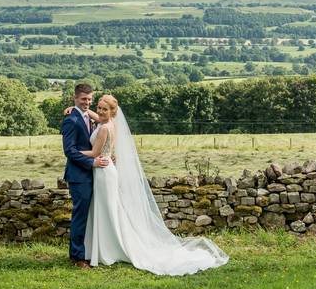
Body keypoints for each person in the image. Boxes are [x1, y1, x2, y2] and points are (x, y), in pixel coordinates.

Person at [66, 94, 229, 276]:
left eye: (105, 108)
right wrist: (75, 109)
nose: (100, 111)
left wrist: (72, 151)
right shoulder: (112, 123)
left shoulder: (104, 128)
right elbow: (92, 115)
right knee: (108, 209)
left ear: (112, 112)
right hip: (106, 169)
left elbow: (95, 151)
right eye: (99, 107)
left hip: (103, 170)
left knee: (108, 210)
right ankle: (102, 248)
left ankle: (111, 249)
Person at [61, 82, 111, 268]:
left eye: (90, 99)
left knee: (90, 215)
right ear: (75, 98)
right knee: (80, 216)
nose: (87, 102)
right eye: (83, 99)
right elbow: (70, 151)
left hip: (92, 174)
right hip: (78, 175)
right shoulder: (71, 120)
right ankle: (77, 257)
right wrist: (92, 162)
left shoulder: (87, 116)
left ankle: (90, 251)